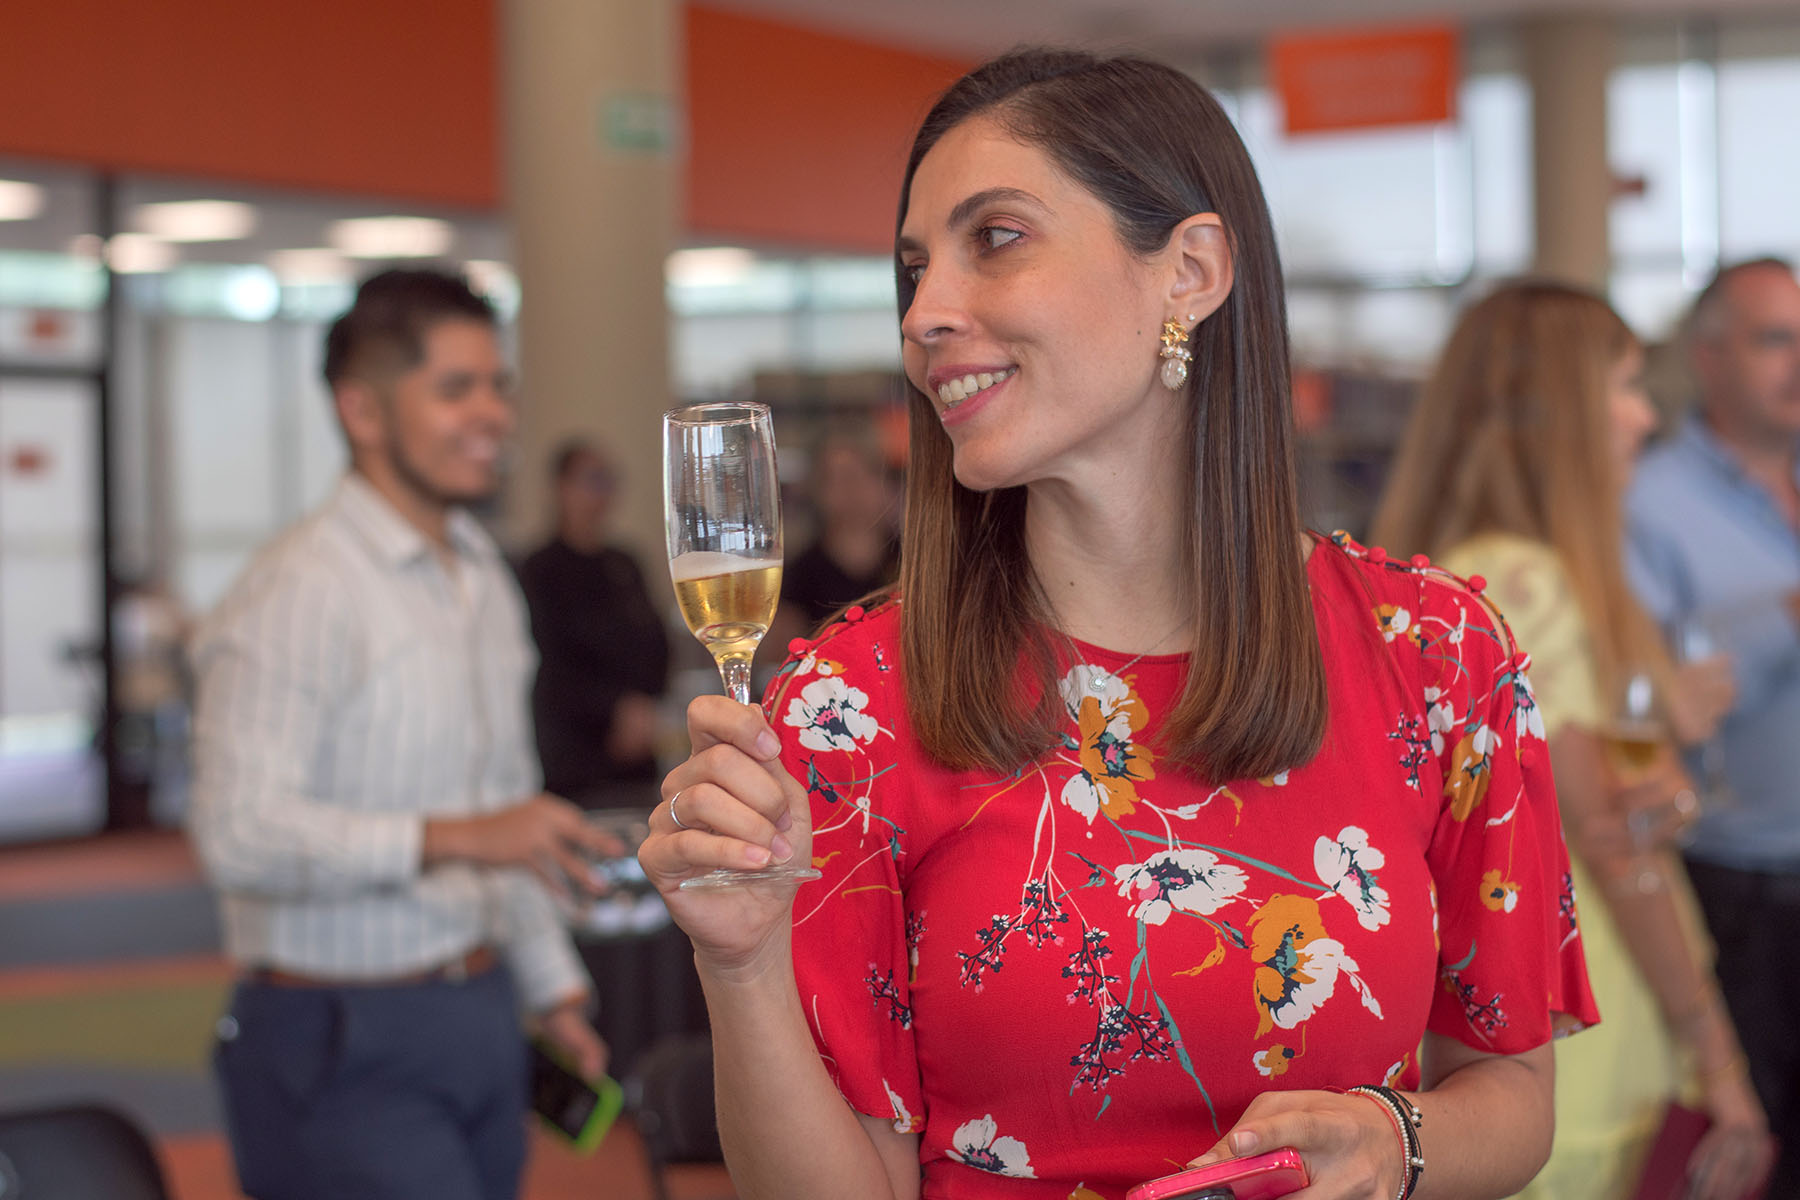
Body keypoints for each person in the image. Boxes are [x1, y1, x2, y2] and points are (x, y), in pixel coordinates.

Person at [638, 50, 1597, 1200]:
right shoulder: (850, 706)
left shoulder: (1442, 656)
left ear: (1188, 271)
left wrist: (1398, 1147)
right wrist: (738, 965)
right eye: (913, 269)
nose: (925, 314)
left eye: (995, 237)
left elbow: (1511, 1088)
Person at [188, 268, 614, 1200]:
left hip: (480, 1011)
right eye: (454, 388)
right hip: (335, 1036)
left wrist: (552, 986)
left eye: (498, 385)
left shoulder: (480, 577)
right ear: (363, 412)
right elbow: (237, 832)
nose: (493, 414)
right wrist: (460, 838)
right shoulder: (296, 592)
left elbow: (510, 808)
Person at [1372, 281, 1774, 1200]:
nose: (1643, 418)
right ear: (1555, 417)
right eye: (1625, 389)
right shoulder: (1535, 582)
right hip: (1579, 1026)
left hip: (1488, 1025)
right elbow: (1611, 843)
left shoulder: (1442, 574)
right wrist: (1717, 1058)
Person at [1626, 257, 1800, 1196]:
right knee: (1753, 1154)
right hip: (1738, 890)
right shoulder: (1649, 503)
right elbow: (1640, 685)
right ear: (1708, 356)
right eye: (1777, 339)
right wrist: (1784, 616)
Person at [517, 438, 670, 808]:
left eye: (608, 480)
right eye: (590, 479)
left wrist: (642, 705)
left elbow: (657, 643)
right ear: (560, 488)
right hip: (573, 758)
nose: (600, 493)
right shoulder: (537, 570)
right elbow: (548, 664)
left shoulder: (625, 563)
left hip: (636, 757)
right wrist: (614, 707)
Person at [778, 430, 901, 630]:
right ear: (817, 490)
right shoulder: (800, 576)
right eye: (837, 478)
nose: (851, 489)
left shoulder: (914, 561)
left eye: (862, 473)